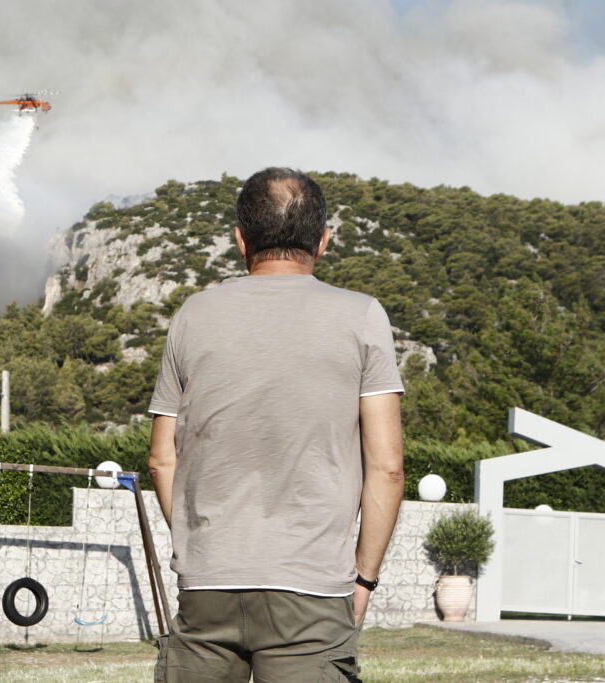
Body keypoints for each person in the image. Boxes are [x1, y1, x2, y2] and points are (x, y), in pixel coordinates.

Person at [147, 167, 405, 682]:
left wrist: (200, 545)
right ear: (324, 241)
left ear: (240, 239)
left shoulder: (192, 315)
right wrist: (364, 580)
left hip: (207, 589)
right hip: (311, 594)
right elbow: (387, 467)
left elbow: (161, 458)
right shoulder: (362, 316)